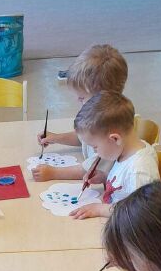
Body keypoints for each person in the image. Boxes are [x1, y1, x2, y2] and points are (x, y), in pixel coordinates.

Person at [32, 44, 128, 184]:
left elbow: (90, 170)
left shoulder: (110, 129)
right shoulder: (99, 115)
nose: (77, 100)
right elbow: (84, 138)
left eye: (82, 98)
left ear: (102, 98)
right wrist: (56, 138)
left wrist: (53, 173)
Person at [68, 92, 160, 220]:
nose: (94, 151)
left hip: (124, 226)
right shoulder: (126, 151)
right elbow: (125, 186)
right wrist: (105, 177)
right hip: (113, 217)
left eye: (95, 146)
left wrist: (100, 209)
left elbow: (138, 213)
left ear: (115, 139)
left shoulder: (139, 172)